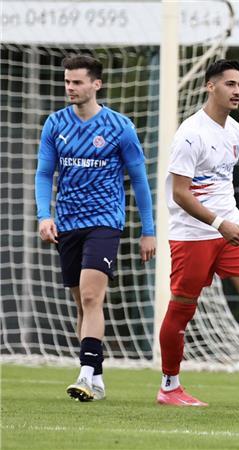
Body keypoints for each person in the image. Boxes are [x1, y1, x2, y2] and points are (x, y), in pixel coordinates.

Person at [156, 59, 239, 409]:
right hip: (194, 233)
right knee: (184, 306)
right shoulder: (191, 133)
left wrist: (227, 224)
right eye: (230, 84)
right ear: (210, 86)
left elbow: (220, 184)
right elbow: (181, 193)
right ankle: (169, 386)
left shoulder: (235, 130)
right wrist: (219, 224)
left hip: (230, 227)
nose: (237, 91)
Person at [35, 54, 156, 402]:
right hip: (68, 224)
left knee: (91, 296)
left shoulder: (120, 127)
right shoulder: (55, 124)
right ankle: (98, 377)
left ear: (96, 85)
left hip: (105, 221)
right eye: (67, 82)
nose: (70, 88)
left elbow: (139, 180)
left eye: (77, 82)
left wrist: (148, 230)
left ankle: (85, 375)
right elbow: (44, 174)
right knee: (82, 303)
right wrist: (45, 215)